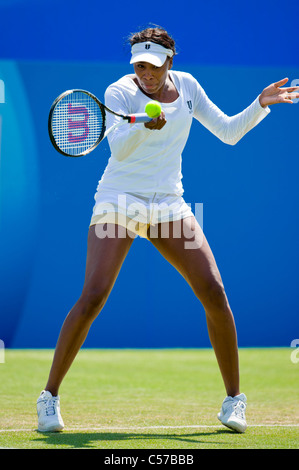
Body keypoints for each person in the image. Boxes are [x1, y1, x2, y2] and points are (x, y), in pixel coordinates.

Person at [36, 26, 299, 433]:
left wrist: (260, 104)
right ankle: (48, 398)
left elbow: (228, 133)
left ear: (170, 61)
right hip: (119, 201)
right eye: (140, 66)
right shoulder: (119, 92)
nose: (147, 74)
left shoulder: (189, 87)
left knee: (213, 290)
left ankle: (233, 401)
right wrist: (144, 123)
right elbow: (119, 147)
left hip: (170, 206)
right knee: (93, 296)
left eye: (154, 66)